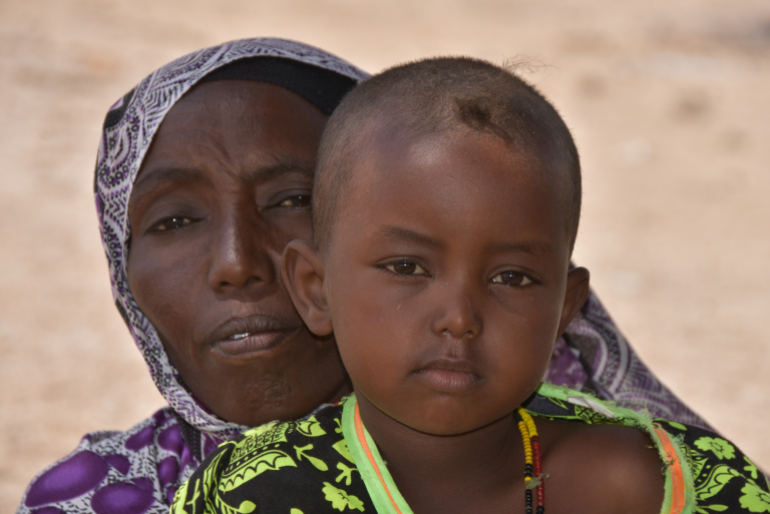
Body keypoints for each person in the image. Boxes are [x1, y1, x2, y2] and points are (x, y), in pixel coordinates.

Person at [18, 39, 706, 514]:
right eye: (173, 221)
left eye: (292, 200)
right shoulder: (94, 499)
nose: (236, 263)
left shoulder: (653, 479)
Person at [174, 57, 768, 513]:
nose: (459, 317)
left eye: (512, 277)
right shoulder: (253, 493)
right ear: (315, 288)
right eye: (407, 267)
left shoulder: (680, 485)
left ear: (564, 310)